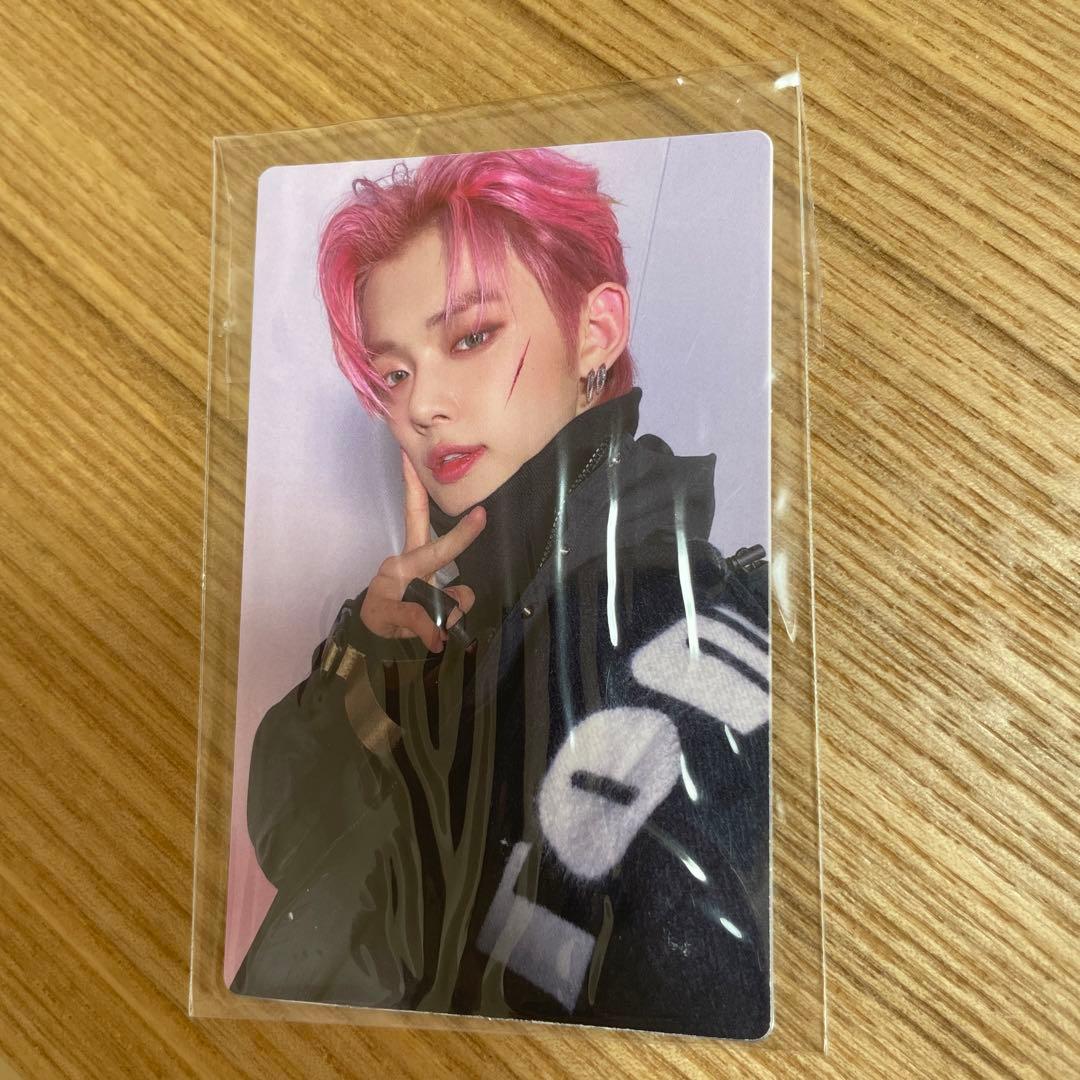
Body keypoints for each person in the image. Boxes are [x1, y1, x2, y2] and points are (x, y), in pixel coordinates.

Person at [229, 147, 771, 1039]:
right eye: (395, 372)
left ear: (595, 332)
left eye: (470, 337)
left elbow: (694, 1012)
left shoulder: (666, 632)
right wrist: (366, 661)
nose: (420, 405)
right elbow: (295, 843)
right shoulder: (457, 623)